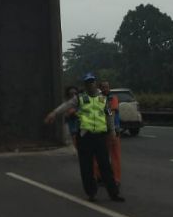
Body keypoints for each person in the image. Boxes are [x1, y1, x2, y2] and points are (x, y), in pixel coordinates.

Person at [44, 72, 124, 202]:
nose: (90, 84)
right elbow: (66, 105)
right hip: (85, 136)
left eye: (92, 82)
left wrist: (112, 132)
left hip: (100, 137)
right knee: (86, 167)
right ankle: (91, 193)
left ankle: (114, 193)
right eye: (87, 83)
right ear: (85, 85)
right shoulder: (80, 98)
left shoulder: (103, 99)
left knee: (105, 166)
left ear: (95, 83)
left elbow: (109, 115)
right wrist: (54, 113)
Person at [94, 80, 122, 186]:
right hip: (102, 132)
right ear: (100, 88)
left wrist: (112, 130)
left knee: (114, 156)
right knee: (101, 155)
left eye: (107, 87)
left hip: (113, 131)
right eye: (103, 87)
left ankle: (116, 179)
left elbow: (111, 113)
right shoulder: (100, 99)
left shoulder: (112, 98)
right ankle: (99, 176)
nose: (105, 89)